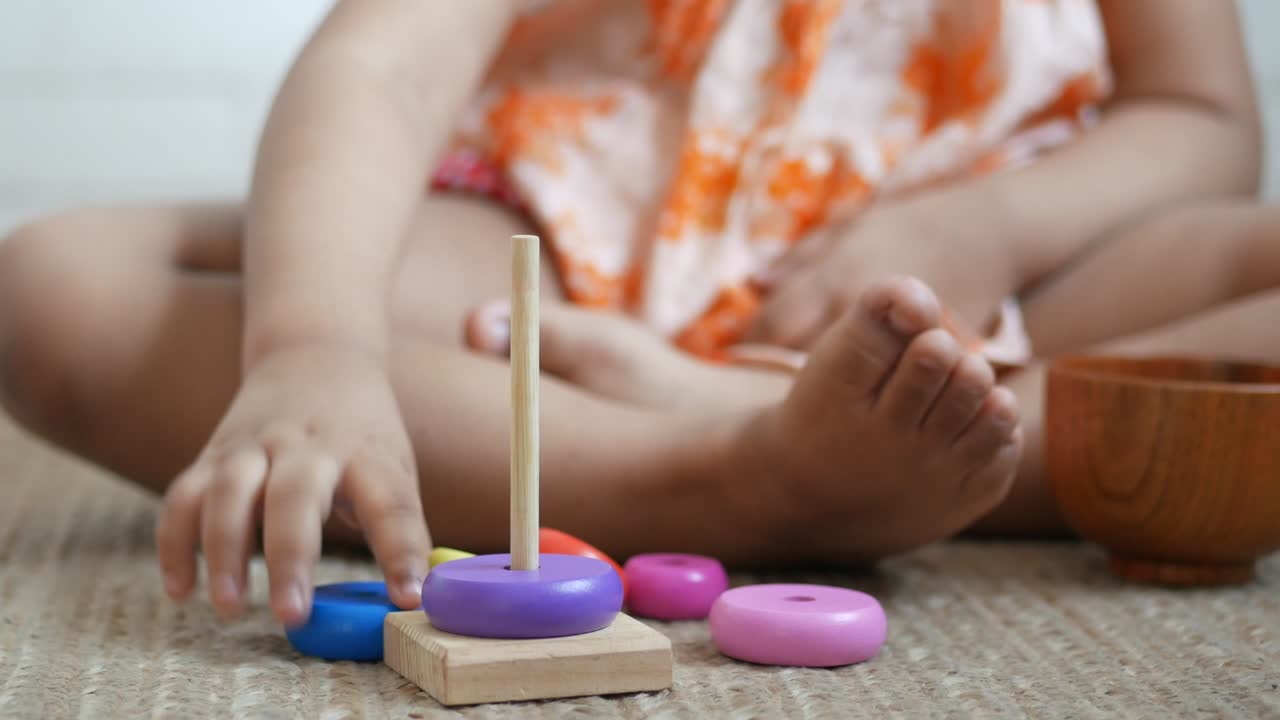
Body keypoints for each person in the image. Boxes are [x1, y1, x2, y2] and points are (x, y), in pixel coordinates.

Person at [0, 0, 1271, 628]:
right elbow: (382, 65)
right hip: (560, 263)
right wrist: (312, 345)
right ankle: (740, 471)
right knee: (49, 285)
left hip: (1001, 277)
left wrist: (974, 232)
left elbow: (1204, 122)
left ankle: (864, 435)